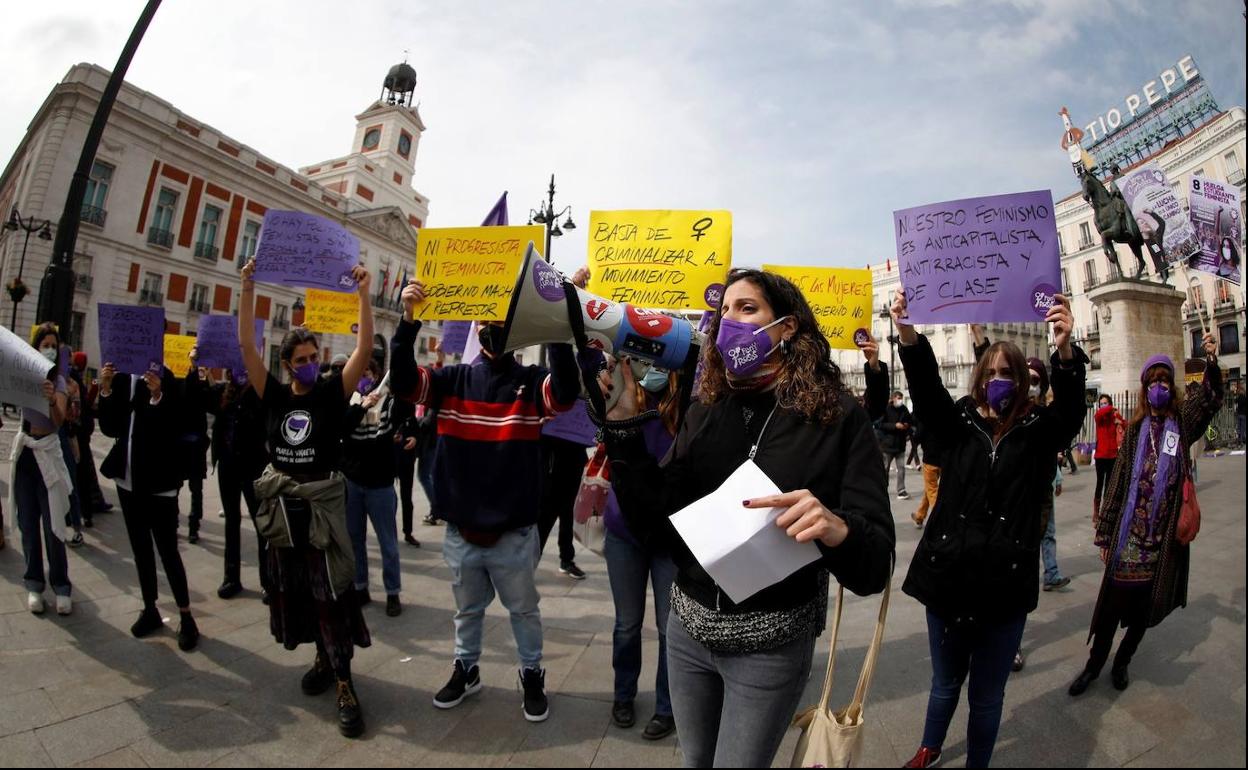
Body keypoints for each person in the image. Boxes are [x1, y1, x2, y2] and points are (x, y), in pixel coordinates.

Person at [603, 268, 895, 768]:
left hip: (770, 648)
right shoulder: (706, 408)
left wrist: (837, 529)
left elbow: (875, 564)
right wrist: (625, 429)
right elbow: (656, 525)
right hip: (688, 635)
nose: (730, 322)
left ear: (787, 326)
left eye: (747, 308)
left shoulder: (837, 416)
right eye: (724, 313)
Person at [892, 289, 1085, 769]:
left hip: (1005, 588)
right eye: (991, 373)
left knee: (987, 696)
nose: (998, 381)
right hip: (949, 581)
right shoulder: (957, 421)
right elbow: (927, 391)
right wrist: (907, 333)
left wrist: (1064, 350)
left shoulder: (1037, 429)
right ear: (980, 378)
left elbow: (1070, 413)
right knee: (944, 683)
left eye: (1008, 374)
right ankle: (929, 748)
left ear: (1021, 382)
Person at [390, 274, 582, 724]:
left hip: (513, 532)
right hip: (462, 530)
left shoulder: (532, 383)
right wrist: (408, 320)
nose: (493, 328)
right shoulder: (451, 380)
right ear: (477, 327)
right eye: (487, 321)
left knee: (523, 611)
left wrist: (556, 325)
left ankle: (531, 673)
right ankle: (467, 668)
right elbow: (403, 381)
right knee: (467, 610)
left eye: (502, 322)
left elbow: (565, 393)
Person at [238, 258, 374, 738]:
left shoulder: (331, 394)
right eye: (301, 360)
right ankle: (321, 658)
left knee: (330, 595)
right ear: (286, 365)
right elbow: (246, 346)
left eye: (315, 356)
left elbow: (363, 348)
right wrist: (247, 286)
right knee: (298, 595)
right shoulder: (274, 396)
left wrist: (364, 294)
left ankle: (344, 683)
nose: (310, 364)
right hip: (283, 515)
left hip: (321, 513)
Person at [1069, 336, 1223, 697]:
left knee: (1142, 612)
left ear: (1172, 386)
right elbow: (1118, 483)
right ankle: (1093, 666)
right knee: (1110, 611)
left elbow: (1210, 399)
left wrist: (1210, 359)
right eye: (1153, 381)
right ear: (1144, 389)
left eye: (1164, 380)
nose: (1159, 387)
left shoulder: (1182, 424)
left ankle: (1122, 662)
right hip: (1129, 541)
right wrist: (1105, 535)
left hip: (1161, 542)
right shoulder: (1136, 429)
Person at [603, 365, 681, 741]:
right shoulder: (621, 394)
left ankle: (667, 707)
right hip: (624, 533)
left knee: (670, 629)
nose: (651, 368)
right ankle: (623, 696)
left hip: (668, 537)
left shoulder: (685, 404)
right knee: (626, 624)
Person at [98, 362, 199, 650]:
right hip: (128, 480)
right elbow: (110, 427)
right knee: (140, 548)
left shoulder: (165, 377)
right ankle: (150, 608)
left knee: (168, 551)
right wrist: (106, 390)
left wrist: (157, 397)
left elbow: (175, 425)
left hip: (159, 483)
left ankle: (186, 616)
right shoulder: (119, 378)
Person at [190, 359, 270, 600]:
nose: (241, 372)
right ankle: (231, 578)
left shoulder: (259, 393)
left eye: (246, 367)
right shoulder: (222, 392)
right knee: (231, 522)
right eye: (237, 368)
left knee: (262, 525)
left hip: (254, 468)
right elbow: (197, 398)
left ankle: (268, 581)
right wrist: (195, 369)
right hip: (228, 467)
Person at [9, 323, 74, 616]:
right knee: (28, 524)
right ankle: (34, 583)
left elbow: (59, 421)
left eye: (53, 345)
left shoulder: (58, 381)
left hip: (47, 453)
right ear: (35, 348)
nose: (49, 349)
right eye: (44, 344)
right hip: (26, 456)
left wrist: (50, 400)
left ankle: (61, 586)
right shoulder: (24, 375)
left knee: (53, 525)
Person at [341, 359, 405, 616]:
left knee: (387, 543)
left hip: (380, 485)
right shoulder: (348, 400)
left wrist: (391, 393)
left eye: (366, 372)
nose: (362, 376)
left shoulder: (388, 402)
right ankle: (360, 587)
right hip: (353, 483)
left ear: (376, 375)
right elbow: (342, 428)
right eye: (358, 372)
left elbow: (402, 415)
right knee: (354, 539)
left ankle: (392, 592)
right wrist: (362, 406)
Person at [538, 433, 588, 579]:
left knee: (568, 514)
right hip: (551, 468)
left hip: (575, 464)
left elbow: (593, 436)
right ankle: (530, 562)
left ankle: (567, 560)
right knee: (545, 518)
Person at [68, 350, 112, 517]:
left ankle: (91, 503)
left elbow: (90, 392)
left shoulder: (79, 377)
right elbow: (85, 402)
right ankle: (89, 506)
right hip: (79, 431)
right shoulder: (74, 378)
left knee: (85, 470)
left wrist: (97, 385)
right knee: (84, 471)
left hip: (82, 431)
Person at [391, 394, 422, 545]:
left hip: (407, 458)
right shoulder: (387, 403)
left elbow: (415, 428)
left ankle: (408, 532)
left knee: (407, 497)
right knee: (390, 498)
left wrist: (415, 438)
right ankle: (390, 532)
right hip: (390, 458)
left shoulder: (408, 404)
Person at [1093, 394, 1127, 517]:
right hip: (1100, 456)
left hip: (1112, 456)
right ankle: (1096, 512)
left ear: (1109, 403)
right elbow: (1100, 414)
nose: (1103, 405)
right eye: (1101, 403)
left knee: (1109, 484)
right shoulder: (1099, 416)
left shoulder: (1114, 416)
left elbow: (1128, 426)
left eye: (1105, 403)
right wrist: (1111, 408)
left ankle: (1105, 510)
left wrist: (1120, 421)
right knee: (1100, 483)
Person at [877, 390, 912, 499]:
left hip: (900, 445)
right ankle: (883, 489)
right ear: (893, 399)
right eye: (898, 398)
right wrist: (894, 426)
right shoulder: (886, 409)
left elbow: (910, 421)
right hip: (888, 445)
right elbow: (880, 424)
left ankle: (901, 490)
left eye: (901, 398)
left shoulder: (904, 409)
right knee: (885, 469)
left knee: (901, 468)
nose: (900, 400)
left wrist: (906, 425)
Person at [1233, 382, 1245, 447]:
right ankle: (1241, 440)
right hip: (1243, 414)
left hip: (1239, 414)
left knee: (1239, 427)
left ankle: (1238, 438)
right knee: (1242, 427)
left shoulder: (1239, 397)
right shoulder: (1245, 397)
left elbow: (1235, 401)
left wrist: (1235, 394)